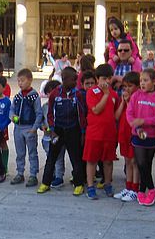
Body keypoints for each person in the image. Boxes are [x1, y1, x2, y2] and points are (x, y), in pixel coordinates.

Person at [38, 67, 86, 196]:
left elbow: (81, 114)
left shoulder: (78, 94)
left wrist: (82, 132)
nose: (75, 82)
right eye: (73, 79)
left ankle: (79, 184)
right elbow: (50, 113)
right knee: (51, 157)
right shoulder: (55, 94)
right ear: (64, 79)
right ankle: (45, 183)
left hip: (73, 130)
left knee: (75, 158)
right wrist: (52, 129)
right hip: (58, 130)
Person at [127, 68, 155, 206]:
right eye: (141, 81)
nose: (142, 83)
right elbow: (129, 113)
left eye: (145, 80)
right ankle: (152, 189)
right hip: (137, 134)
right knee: (141, 163)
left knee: (147, 165)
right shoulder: (136, 95)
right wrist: (136, 126)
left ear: (154, 82)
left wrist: (144, 121)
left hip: (152, 136)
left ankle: (142, 190)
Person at [83, 64, 120, 199]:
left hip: (109, 133)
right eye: (104, 78)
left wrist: (123, 102)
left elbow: (115, 115)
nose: (107, 81)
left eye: (109, 78)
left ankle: (108, 184)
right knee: (92, 160)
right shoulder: (92, 92)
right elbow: (96, 110)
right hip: (94, 133)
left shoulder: (114, 94)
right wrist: (105, 95)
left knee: (108, 161)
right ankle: (90, 186)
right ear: (97, 79)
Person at [10, 68, 42, 187]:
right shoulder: (17, 96)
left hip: (29, 127)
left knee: (32, 152)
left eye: (22, 80)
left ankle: (33, 174)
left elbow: (39, 113)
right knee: (20, 152)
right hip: (18, 128)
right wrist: (12, 117)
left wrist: (34, 128)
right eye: (18, 81)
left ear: (30, 80)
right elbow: (11, 109)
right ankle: (20, 172)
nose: (20, 83)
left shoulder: (34, 97)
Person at [114, 71, 141, 202]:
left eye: (130, 86)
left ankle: (135, 188)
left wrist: (129, 101)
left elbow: (134, 114)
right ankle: (128, 186)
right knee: (127, 161)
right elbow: (117, 116)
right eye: (125, 86)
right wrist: (123, 102)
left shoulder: (138, 99)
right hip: (123, 132)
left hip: (133, 133)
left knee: (134, 161)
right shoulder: (123, 99)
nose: (127, 89)